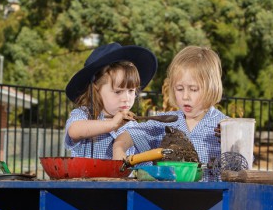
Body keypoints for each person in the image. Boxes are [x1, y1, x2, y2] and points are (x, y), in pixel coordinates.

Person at [112, 46, 227, 181]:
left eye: (194, 89)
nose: (185, 96)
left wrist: (229, 139)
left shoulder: (223, 126)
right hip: (169, 198)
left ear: (212, 88)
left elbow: (242, 162)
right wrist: (119, 148)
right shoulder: (166, 122)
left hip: (213, 199)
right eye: (179, 89)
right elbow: (129, 135)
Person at [64, 42, 157, 159]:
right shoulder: (84, 114)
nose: (126, 98)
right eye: (118, 92)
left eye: (131, 91)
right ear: (96, 90)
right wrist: (112, 124)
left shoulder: (133, 126)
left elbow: (146, 157)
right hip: (84, 177)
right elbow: (74, 131)